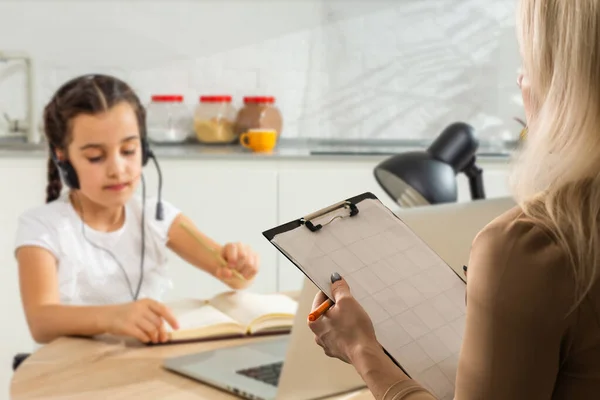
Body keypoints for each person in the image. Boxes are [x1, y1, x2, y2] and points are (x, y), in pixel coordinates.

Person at [308, 0, 600, 398]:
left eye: (530, 63)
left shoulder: (530, 246)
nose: (520, 82)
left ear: (571, 83)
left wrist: (361, 350)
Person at [14, 74, 259, 346]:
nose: (117, 169)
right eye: (95, 157)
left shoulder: (159, 218)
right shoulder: (42, 227)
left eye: (129, 150)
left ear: (145, 148)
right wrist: (112, 317)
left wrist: (240, 264)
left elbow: (233, 276)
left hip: (142, 367)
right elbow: (41, 322)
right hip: (73, 375)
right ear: (63, 157)